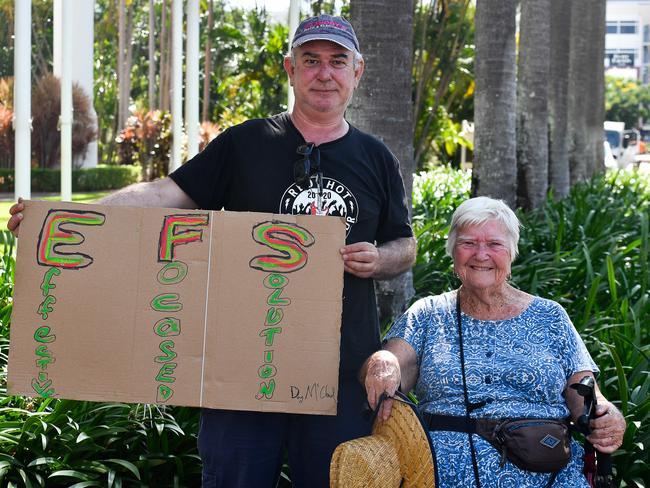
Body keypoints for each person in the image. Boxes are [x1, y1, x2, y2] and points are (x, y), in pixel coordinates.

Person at [8, 14, 416, 488]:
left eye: (337, 61)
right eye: (310, 60)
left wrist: (381, 259)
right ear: (290, 68)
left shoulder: (376, 157)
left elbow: (404, 244)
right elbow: (165, 195)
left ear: (357, 72)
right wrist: (63, 217)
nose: (324, 72)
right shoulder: (246, 143)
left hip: (341, 371)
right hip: (243, 367)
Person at [362, 196, 626, 487]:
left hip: (547, 474)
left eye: (494, 244)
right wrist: (382, 362)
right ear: (453, 252)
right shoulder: (428, 313)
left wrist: (607, 416)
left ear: (511, 252)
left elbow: (586, 393)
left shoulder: (550, 316)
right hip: (442, 476)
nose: (481, 254)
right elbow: (392, 362)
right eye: (468, 243)